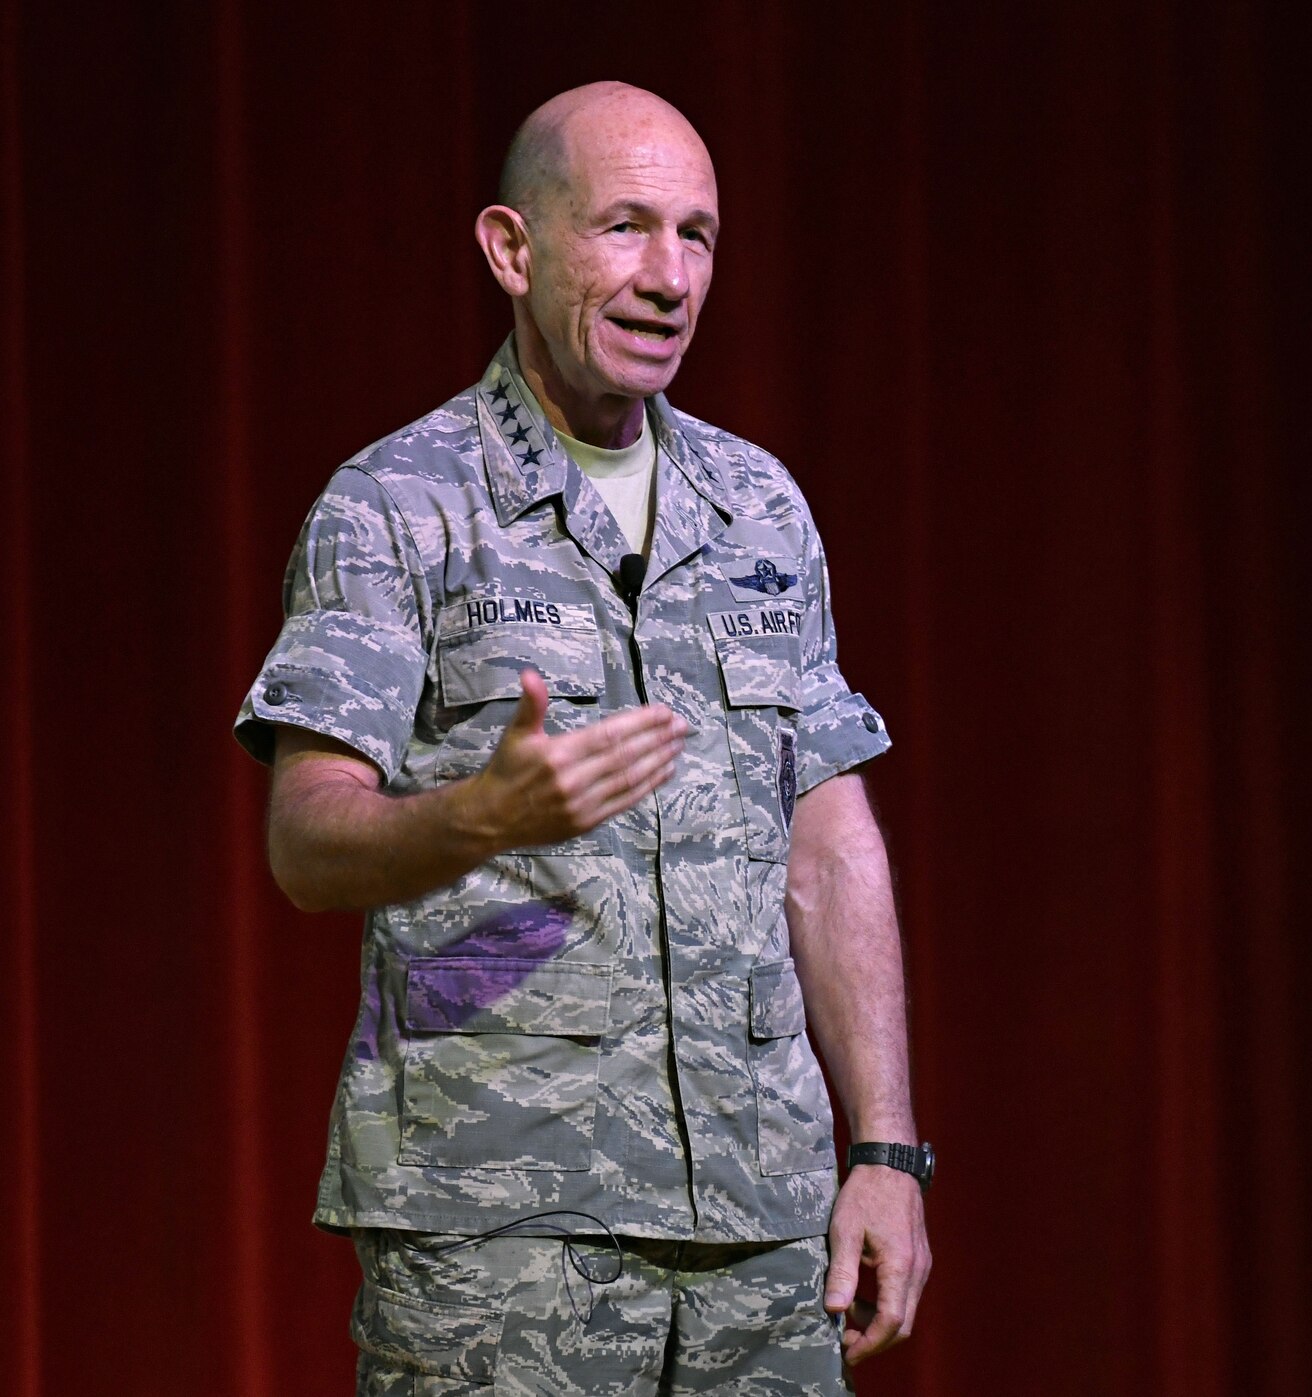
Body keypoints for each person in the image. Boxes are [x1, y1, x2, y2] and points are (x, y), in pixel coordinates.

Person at [234, 81, 932, 1394]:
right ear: (513, 248)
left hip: (759, 1240)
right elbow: (306, 842)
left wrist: (886, 1151)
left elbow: (829, 847)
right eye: (623, 227)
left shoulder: (761, 508)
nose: (667, 276)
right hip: (503, 1238)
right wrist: (479, 815)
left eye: (697, 235)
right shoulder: (398, 504)